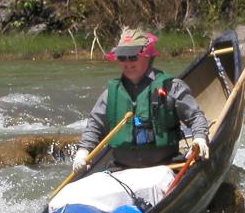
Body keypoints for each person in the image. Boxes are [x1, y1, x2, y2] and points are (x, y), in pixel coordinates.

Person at [73, 27, 210, 172]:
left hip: (166, 168)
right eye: (122, 57)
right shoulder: (110, 94)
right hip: (121, 170)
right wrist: (83, 150)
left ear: (147, 56)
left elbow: (196, 117)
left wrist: (200, 137)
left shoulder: (171, 87)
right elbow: (95, 125)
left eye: (132, 57)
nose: (127, 63)